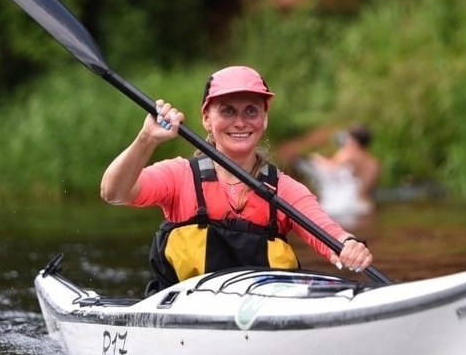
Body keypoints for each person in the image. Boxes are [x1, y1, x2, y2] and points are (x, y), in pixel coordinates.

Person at [100, 65, 374, 294]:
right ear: (207, 119)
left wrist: (349, 246)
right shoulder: (179, 176)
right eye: (228, 111)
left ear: (264, 119)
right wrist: (147, 138)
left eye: (251, 111)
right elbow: (114, 192)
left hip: (261, 316)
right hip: (183, 316)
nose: (240, 122)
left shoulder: (283, 189)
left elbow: (329, 235)